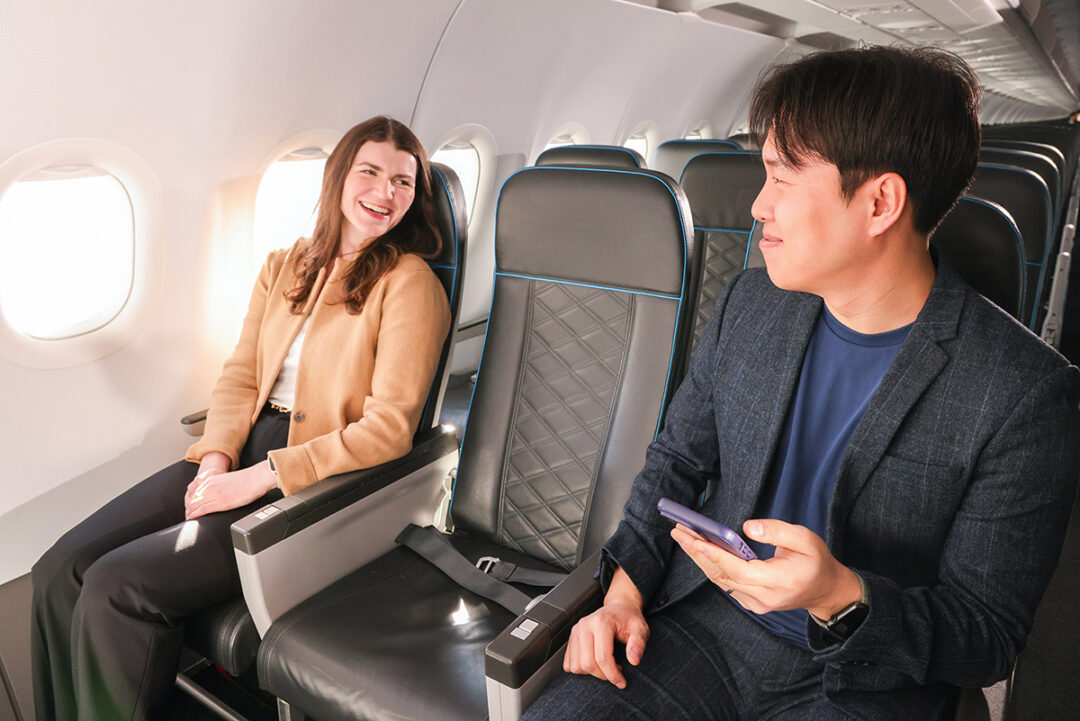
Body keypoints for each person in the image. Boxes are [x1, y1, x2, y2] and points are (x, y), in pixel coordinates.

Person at [524, 46, 1080, 721]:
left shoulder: (1025, 393)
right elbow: (674, 464)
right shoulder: (750, 306)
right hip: (700, 629)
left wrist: (838, 594)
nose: (759, 207)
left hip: (863, 681)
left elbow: (986, 635)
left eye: (783, 178)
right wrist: (621, 593)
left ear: (880, 202)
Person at [30, 115, 451, 721]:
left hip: (311, 474)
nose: (386, 193)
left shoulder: (409, 284)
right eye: (371, 172)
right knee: (57, 569)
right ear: (338, 177)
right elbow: (241, 377)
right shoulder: (287, 264)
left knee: (114, 588)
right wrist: (219, 458)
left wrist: (254, 480)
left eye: (404, 183)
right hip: (238, 447)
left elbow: (387, 429)